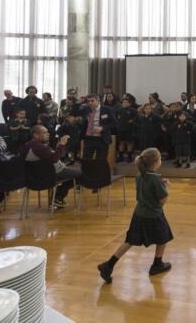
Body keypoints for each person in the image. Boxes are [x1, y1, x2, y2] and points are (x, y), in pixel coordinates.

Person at [97, 148, 173, 282]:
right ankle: (157, 264)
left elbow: (146, 190)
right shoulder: (157, 179)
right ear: (155, 162)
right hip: (153, 215)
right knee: (163, 237)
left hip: (138, 214)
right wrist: (166, 187)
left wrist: (160, 184)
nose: (161, 160)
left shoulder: (139, 176)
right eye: (160, 158)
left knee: (130, 240)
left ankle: (108, 265)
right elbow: (163, 201)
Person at [22, 125, 81, 208]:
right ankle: (58, 196)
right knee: (81, 173)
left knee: (75, 170)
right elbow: (54, 159)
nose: (48, 134)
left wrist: (58, 148)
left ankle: (57, 197)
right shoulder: (39, 147)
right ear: (36, 135)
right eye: (45, 132)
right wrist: (62, 144)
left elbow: (50, 155)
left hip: (34, 176)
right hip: (49, 175)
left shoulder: (28, 145)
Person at [82, 95, 115, 160]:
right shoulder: (86, 110)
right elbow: (84, 123)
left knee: (100, 160)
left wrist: (102, 128)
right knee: (86, 159)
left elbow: (114, 123)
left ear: (98, 101)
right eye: (88, 101)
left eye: (92, 101)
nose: (90, 103)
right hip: (89, 138)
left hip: (102, 138)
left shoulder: (107, 110)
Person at [116, 97, 139, 163]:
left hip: (129, 129)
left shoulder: (133, 110)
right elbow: (115, 117)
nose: (124, 104)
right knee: (121, 142)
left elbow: (137, 117)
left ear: (129, 104)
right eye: (123, 102)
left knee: (129, 143)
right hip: (120, 129)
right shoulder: (119, 110)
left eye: (126, 102)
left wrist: (132, 121)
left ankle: (129, 157)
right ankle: (120, 157)